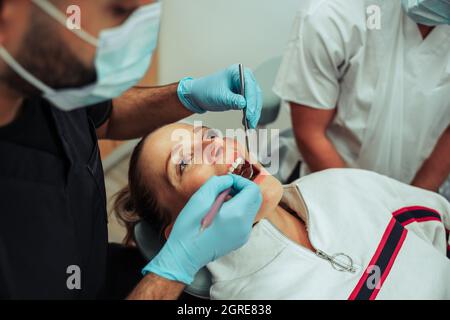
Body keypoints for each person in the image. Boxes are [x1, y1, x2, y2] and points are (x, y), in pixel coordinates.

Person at [0, 0, 263, 299]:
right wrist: (174, 269)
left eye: (208, 135)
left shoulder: (46, 75)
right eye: (120, 11)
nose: (134, 36)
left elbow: (106, 116)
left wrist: (186, 97)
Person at [113, 122, 450, 299]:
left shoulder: (340, 185)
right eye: (184, 162)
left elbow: (441, 224)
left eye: (208, 134)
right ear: (178, 232)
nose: (215, 144)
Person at [273, 0, 450, 198]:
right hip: (330, 179)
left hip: (418, 183)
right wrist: (367, 210)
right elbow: (310, 133)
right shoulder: (332, 15)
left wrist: (415, 203)